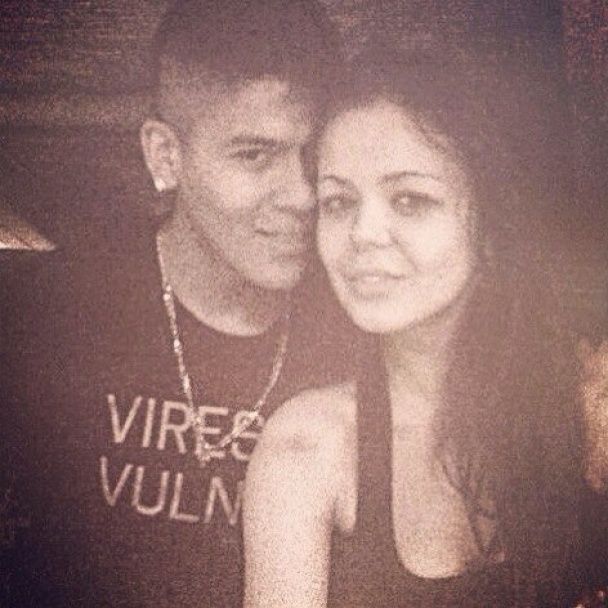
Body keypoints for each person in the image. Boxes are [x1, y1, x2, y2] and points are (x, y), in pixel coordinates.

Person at [0, 1, 353, 606]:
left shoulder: (361, 325)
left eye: (314, 155)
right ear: (166, 156)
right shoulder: (48, 313)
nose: (302, 195)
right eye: (254, 155)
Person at [243, 44, 608, 608]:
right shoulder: (308, 449)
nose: (363, 233)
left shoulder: (588, 400)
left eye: (410, 200)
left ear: (489, 226)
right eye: (338, 202)